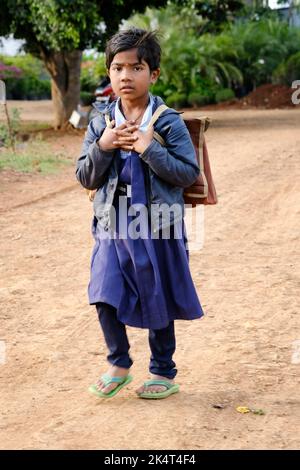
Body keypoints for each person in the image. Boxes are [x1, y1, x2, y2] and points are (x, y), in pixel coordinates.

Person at [75, 28, 204, 399]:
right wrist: (103, 146)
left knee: (156, 294)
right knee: (102, 291)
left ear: (154, 74)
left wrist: (149, 148)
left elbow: (187, 173)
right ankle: (119, 361)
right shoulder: (101, 121)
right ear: (109, 72)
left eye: (136, 67)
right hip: (111, 224)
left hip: (157, 226)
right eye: (117, 68)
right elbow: (84, 174)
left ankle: (163, 370)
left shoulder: (166, 122)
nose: (125, 76)